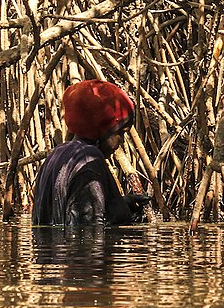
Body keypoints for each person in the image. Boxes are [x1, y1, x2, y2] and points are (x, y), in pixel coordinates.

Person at [32, 79, 151, 226]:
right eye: (120, 132)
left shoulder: (56, 154)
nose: (122, 141)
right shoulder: (88, 161)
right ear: (101, 127)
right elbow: (87, 233)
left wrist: (121, 204)